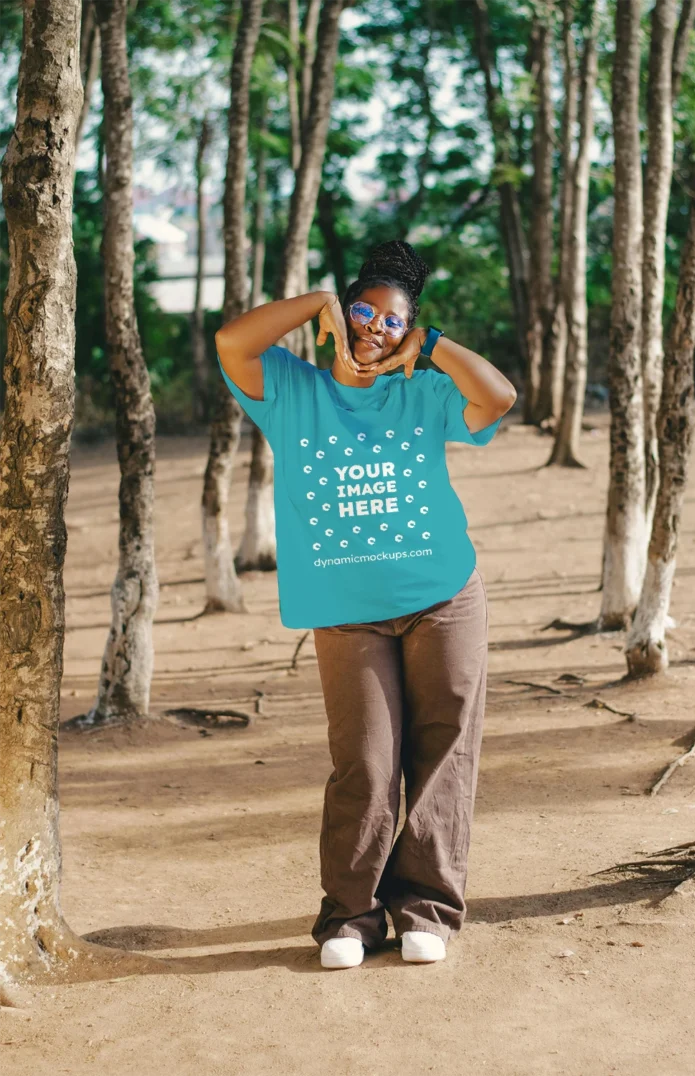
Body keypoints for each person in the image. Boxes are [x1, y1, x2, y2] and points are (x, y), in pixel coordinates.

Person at [215, 239, 516, 969]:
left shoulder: (422, 389)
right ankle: (350, 914)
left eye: (393, 320)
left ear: (408, 330)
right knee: (366, 764)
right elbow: (232, 339)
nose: (374, 327)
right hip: (347, 612)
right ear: (341, 315)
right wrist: (314, 303)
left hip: (442, 596)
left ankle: (428, 909)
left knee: (445, 752)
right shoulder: (291, 390)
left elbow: (498, 395)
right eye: (361, 311)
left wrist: (432, 345)